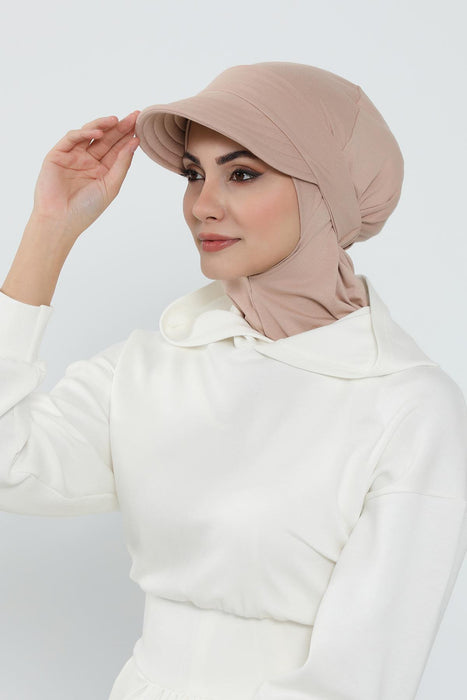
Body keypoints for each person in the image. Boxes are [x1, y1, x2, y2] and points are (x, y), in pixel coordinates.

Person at [1, 61, 466, 700]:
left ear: (327, 195)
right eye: (194, 174)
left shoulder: (407, 406)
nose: (203, 205)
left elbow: (362, 679)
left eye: (242, 174)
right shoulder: (155, 364)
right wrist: (48, 230)